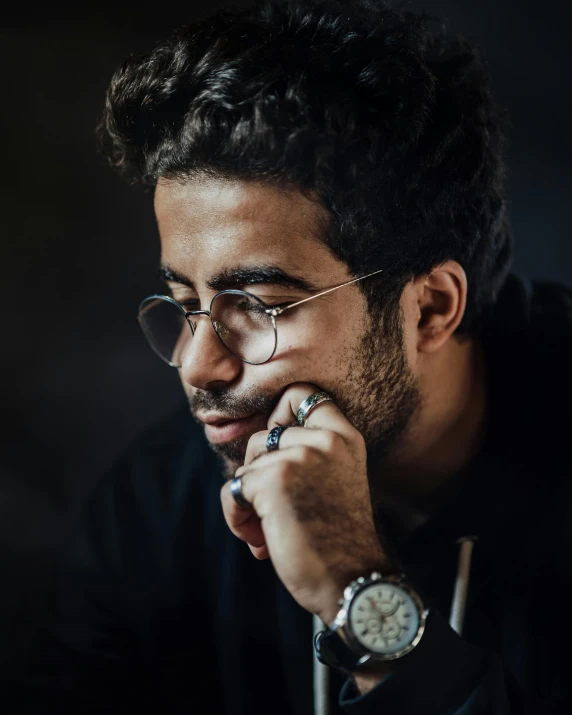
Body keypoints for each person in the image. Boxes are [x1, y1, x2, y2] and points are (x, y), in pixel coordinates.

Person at [6, 0, 572, 713]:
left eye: (262, 307)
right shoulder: (157, 511)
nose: (196, 366)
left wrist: (355, 587)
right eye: (186, 304)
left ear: (430, 307)